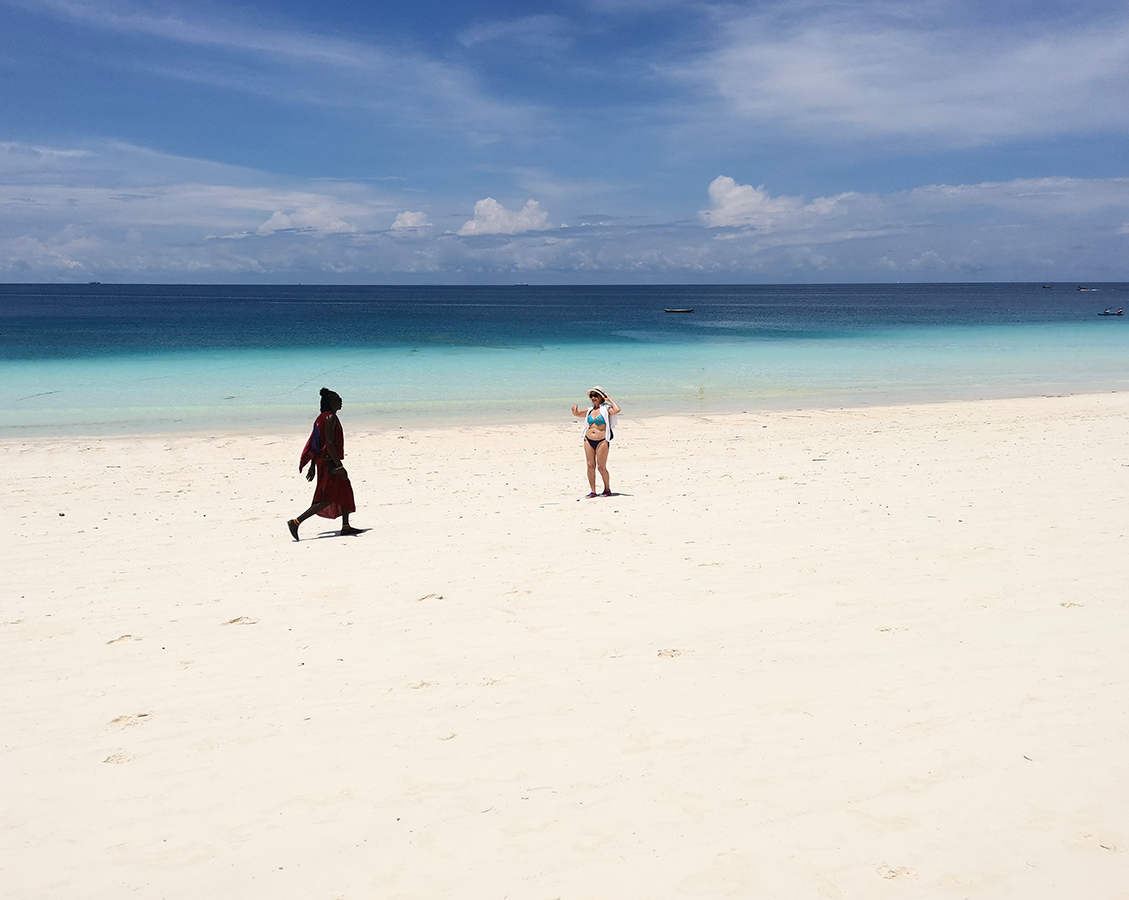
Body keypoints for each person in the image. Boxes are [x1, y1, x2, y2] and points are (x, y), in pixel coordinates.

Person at [288, 388, 360, 540]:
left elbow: (315, 444)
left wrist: (313, 465)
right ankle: (296, 522)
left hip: (324, 461)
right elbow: (328, 443)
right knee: (326, 498)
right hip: (329, 462)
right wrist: (338, 465)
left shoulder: (320, 418)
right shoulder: (330, 418)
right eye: (339, 399)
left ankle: (346, 526)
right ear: (332, 402)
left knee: (344, 489)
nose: (341, 402)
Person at [571, 386, 621, 498]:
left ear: (601, 397)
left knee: (601, 467)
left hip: (602, 440)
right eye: (591, 396)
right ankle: (593, 491)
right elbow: (578, 414)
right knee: (590, 465)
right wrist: (574, 409)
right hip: (588, 440)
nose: (593, 398)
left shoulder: (606, 409)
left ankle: (607, 489)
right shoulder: (590, 410)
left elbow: (617, 410)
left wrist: (610, 399)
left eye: (596, 395)